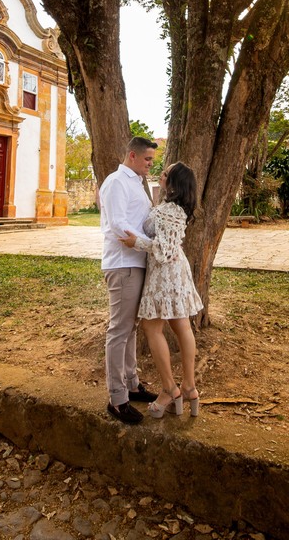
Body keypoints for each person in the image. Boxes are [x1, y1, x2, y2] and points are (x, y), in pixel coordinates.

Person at [121, 162, 204, 418]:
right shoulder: (175, 209)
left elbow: (165, 250)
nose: (161, 174)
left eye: (166, 173)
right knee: (182, 325)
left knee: (151, 327)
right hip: (175, 273)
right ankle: (189, 387)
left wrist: (137, 242)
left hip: (166, 275)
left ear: (174, 183)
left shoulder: (169, 210)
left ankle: (170, 389)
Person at [98, 136, 160, 424]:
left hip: (137, 262)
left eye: (152, 160)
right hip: (123, 264)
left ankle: (132, 385)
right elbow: (118, 225)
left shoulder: (137, 182)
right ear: (132, 155)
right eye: (147, 159)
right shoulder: (116, 182)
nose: (150, 164)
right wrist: (150, 245)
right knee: (119, 330)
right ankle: (117, 398)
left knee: (131, 328)